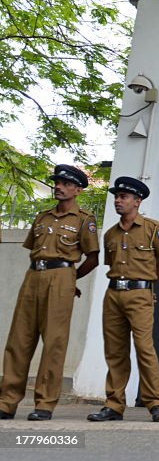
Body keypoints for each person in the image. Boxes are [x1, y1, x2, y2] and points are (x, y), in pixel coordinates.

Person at [0, 165, 100, 421]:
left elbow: (93, 257)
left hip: (62, 276)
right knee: (18, 340)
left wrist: (70, 279)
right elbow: (33, 248)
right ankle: (7, 402)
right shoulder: (42, 217)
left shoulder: (84, 219)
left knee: (54, 342)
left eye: (66, 184)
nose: (59, 186)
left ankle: (44, 403)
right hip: (33, 276)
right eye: (57, 182)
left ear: (77, 189)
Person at [87, 177, 159, 423]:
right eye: (116, 196)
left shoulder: (154, 228)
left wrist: (147, 283)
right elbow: (109, 265)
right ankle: (114, 405)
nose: (118, 201)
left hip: (140, 294)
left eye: (123, 197)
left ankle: (156, 403)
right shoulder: (110, 234)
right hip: (113, 294)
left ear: (137, 201)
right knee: (115, 351)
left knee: (144, 348)